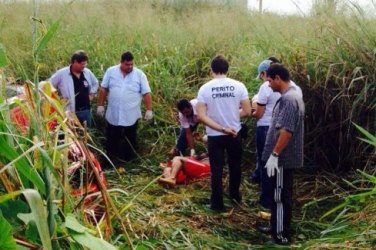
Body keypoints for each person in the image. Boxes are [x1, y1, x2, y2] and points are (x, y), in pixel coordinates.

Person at [196, 55, 251, 211]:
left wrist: (220, 128)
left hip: (215, 135)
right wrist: (232, 116)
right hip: (234, 133)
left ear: (211, 70)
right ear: (227, 69)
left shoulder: (205, 89)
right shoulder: (239, 86)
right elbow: (247, 110)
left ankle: (217, 203)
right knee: (235, 166)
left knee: (217, 169)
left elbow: (201, 116)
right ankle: (234, 196)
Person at [261, 64, 305, 245]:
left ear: (277, 78)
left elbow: (286, 131)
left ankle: (280, 236)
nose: (269, 85)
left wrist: (274, 155)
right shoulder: (292, 95)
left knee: (280, 197)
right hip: (281, 158)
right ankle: (275, 225)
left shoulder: (289, 99)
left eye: (270, 81)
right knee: (277, 194)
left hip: (282, 159)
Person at [96, 51, 152, 161]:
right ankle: (111, 160)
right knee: (112, 138)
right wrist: (100, 106)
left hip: (131, 114)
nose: (130, 67)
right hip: (114, 113)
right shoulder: (111, 71)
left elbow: (146, 93)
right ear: (121, 62)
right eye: (127, 64)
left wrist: (149, 110)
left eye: (132, 64)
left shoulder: (139, 75)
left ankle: (129, 161)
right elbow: (103, 89)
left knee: (130, 138)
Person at [49, 50, 99, 127]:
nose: (84, 66)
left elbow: (95, 83)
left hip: (86, 110)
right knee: (73, 134)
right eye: (82, 64)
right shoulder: (62, 73)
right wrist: (57, 98)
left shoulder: (87, 72)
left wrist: (92, 93)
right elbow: (48, 84)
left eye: (85, 64)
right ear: (75, 62)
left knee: (87, 133)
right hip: (70, 112)